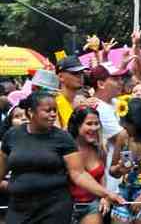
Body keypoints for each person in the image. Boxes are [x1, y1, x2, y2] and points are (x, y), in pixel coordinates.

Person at [0, 91, 122, 224]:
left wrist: (106, 193)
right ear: (31, 112)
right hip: (19, 208)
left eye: (54, 110)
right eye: (47, 111)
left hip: (53, 209)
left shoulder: (63, 138)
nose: (53, 114)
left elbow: (79, 174)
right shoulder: (13, 135)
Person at [88, 62, 129, 194]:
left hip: (119, 176)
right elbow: (124, 137)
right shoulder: (99, 108)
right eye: (115, 79)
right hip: (110, 184)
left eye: (121, 78)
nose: (121, 82)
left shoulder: (116, 102)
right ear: (101, 84)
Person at [67, 106, 109, 224]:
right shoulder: (65, 149)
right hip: (67, 206)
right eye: (89, 124)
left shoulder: (100, 148)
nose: (94, 128)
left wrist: (104, 196)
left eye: (96, 123)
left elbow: (101, 176)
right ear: (77, 125)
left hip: (91, 204)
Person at [55, 56, 89, 129]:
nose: (80, 76)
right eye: (75, 73)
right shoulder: (53, 103)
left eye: (82, 72)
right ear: (60, 77)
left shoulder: (83, 100)